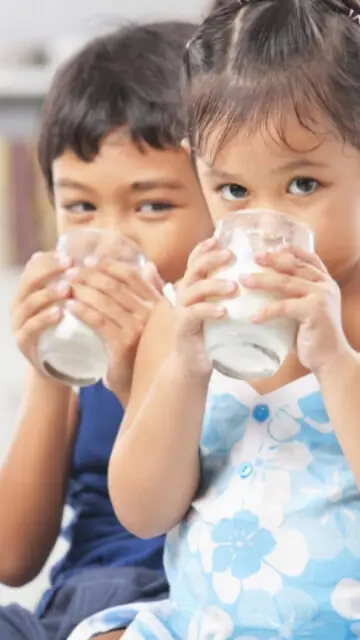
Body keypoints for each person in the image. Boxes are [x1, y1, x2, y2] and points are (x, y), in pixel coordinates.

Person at [68, 0, 360, 638]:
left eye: (304, 185)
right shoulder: (181, 320)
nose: (267, 217)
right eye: (233, 191)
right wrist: (183, 368)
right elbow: (144, 512)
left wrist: (336, 362)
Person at [0, 20, 212, 640]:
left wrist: (135, 374)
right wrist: (48, 374)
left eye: (152, 205)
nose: (114, 235)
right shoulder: (80, 349)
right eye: (81, 207)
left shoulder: (231, 340)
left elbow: (160, 514)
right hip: (72, 600)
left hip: (174, 600)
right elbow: (13, 558)